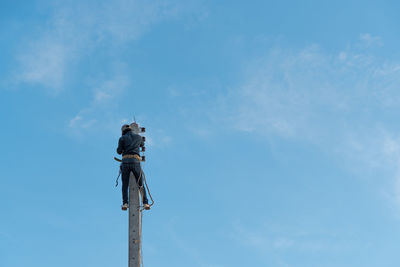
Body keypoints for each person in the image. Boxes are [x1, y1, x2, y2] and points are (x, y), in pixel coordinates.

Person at [117, 123, 150, 211]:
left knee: (125, 185)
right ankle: (145, 202)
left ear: (124, 132)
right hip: (135, 161)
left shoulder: (122, 138)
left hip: (125, 161)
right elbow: (142, 145)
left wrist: (123, 147)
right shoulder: (138, 137)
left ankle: (125, 203)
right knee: (140, 184)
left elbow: (119, 151)